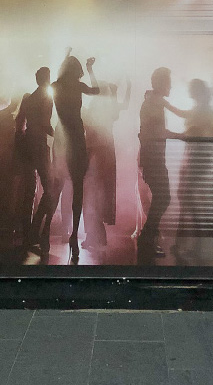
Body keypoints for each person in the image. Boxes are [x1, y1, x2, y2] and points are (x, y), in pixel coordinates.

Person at [51, 52, 100, 261]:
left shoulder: (55, 86)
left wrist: (64, 56)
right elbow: (96, 90)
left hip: (61, 137)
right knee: (78, 186)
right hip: (76, 136)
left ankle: (45, 233)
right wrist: (90, 70)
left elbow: (58, 76)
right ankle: (72, 235)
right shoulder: (78, 86)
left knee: (56, 185)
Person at [137, 67, 184, 256]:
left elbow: (178, 113)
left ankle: (147, 239)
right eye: (168, 82)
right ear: (161, 83)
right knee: (163, 198)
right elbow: (158, 132)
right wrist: (183, 136)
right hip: (153, 158)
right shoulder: (154, 103)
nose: (171, 86)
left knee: (161, 198)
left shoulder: (155, 101)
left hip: (153, 157)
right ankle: (146, 239)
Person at [83, 78, 131, 249]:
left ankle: (95, 235)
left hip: (95, 154)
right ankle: (96, 235)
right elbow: (124, 104)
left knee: (92, 194)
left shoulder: (96, 111)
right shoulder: (108, 110)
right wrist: (129, 84)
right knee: (99, 194)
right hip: (104, 154)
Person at [174, 79, 213, 260]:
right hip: (194, 154)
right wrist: (165, 104)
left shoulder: (203, 109)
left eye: (191, 89)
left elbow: (194, 131)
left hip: (197, 155)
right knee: (185, 197)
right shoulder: (201, 107)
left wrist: (173, 134)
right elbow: (185, 114)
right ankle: (185, 241)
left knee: (186, 198)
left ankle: (191, 241)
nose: (188, 91)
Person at [14, 67, 55, 248]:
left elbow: (19, 123)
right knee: (49, 188)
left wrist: (20, 141)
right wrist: (59, 135)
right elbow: (46, 124)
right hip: (38, 144)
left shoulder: (28, 98)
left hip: (27, 145)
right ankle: (36, 228)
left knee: (30, 190)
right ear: (46, 79)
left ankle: (27, 232)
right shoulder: (46, 98)